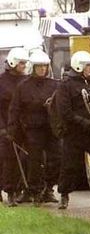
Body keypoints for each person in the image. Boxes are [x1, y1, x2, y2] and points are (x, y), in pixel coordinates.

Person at [55, 51, 90, 209]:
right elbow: (65, 112)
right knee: (69, 165)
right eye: (88, 65)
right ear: (79, 66)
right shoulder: (65, 86)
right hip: (73, 133)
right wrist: (84, 123)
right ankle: (64, 195)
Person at [9, 50, 59, 205]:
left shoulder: (55, 85)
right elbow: (14, 109)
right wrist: (11, 129)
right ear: (33, 67)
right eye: (39, 67)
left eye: (45, 66)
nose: (42, 69)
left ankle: (49, 188)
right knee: (34, 162)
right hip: (32, 130)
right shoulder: (23, 87)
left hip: (51, 129)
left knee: (57, 159)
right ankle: (35, 191)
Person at [0, 48, 28, 206]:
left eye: (25, 63)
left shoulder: (26, 81)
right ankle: (9, 191)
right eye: (21, 63)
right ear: (13, 63)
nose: (24, 66)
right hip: (5, 128)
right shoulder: (1, 82)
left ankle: (21, 189)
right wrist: (2, 128)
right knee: (7, 159)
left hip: (23, 127)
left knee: (24, 160)